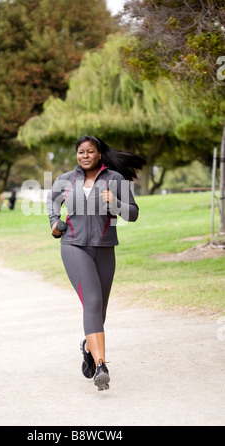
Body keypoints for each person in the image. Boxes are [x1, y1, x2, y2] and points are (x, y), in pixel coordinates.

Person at [47, 136, 146, 391]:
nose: (85, 155)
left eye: (90, 151)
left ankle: (87, 346)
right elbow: (52, 204)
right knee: (91, 302)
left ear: (99, 154)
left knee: (99, 310)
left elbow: (133, 214)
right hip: (74, 245)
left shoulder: (115, 179)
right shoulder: (65, 180)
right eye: (81, 152)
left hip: (105, 248)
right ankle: (101, 365)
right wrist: (54, 224)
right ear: (77, 155)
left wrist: (115, 203)